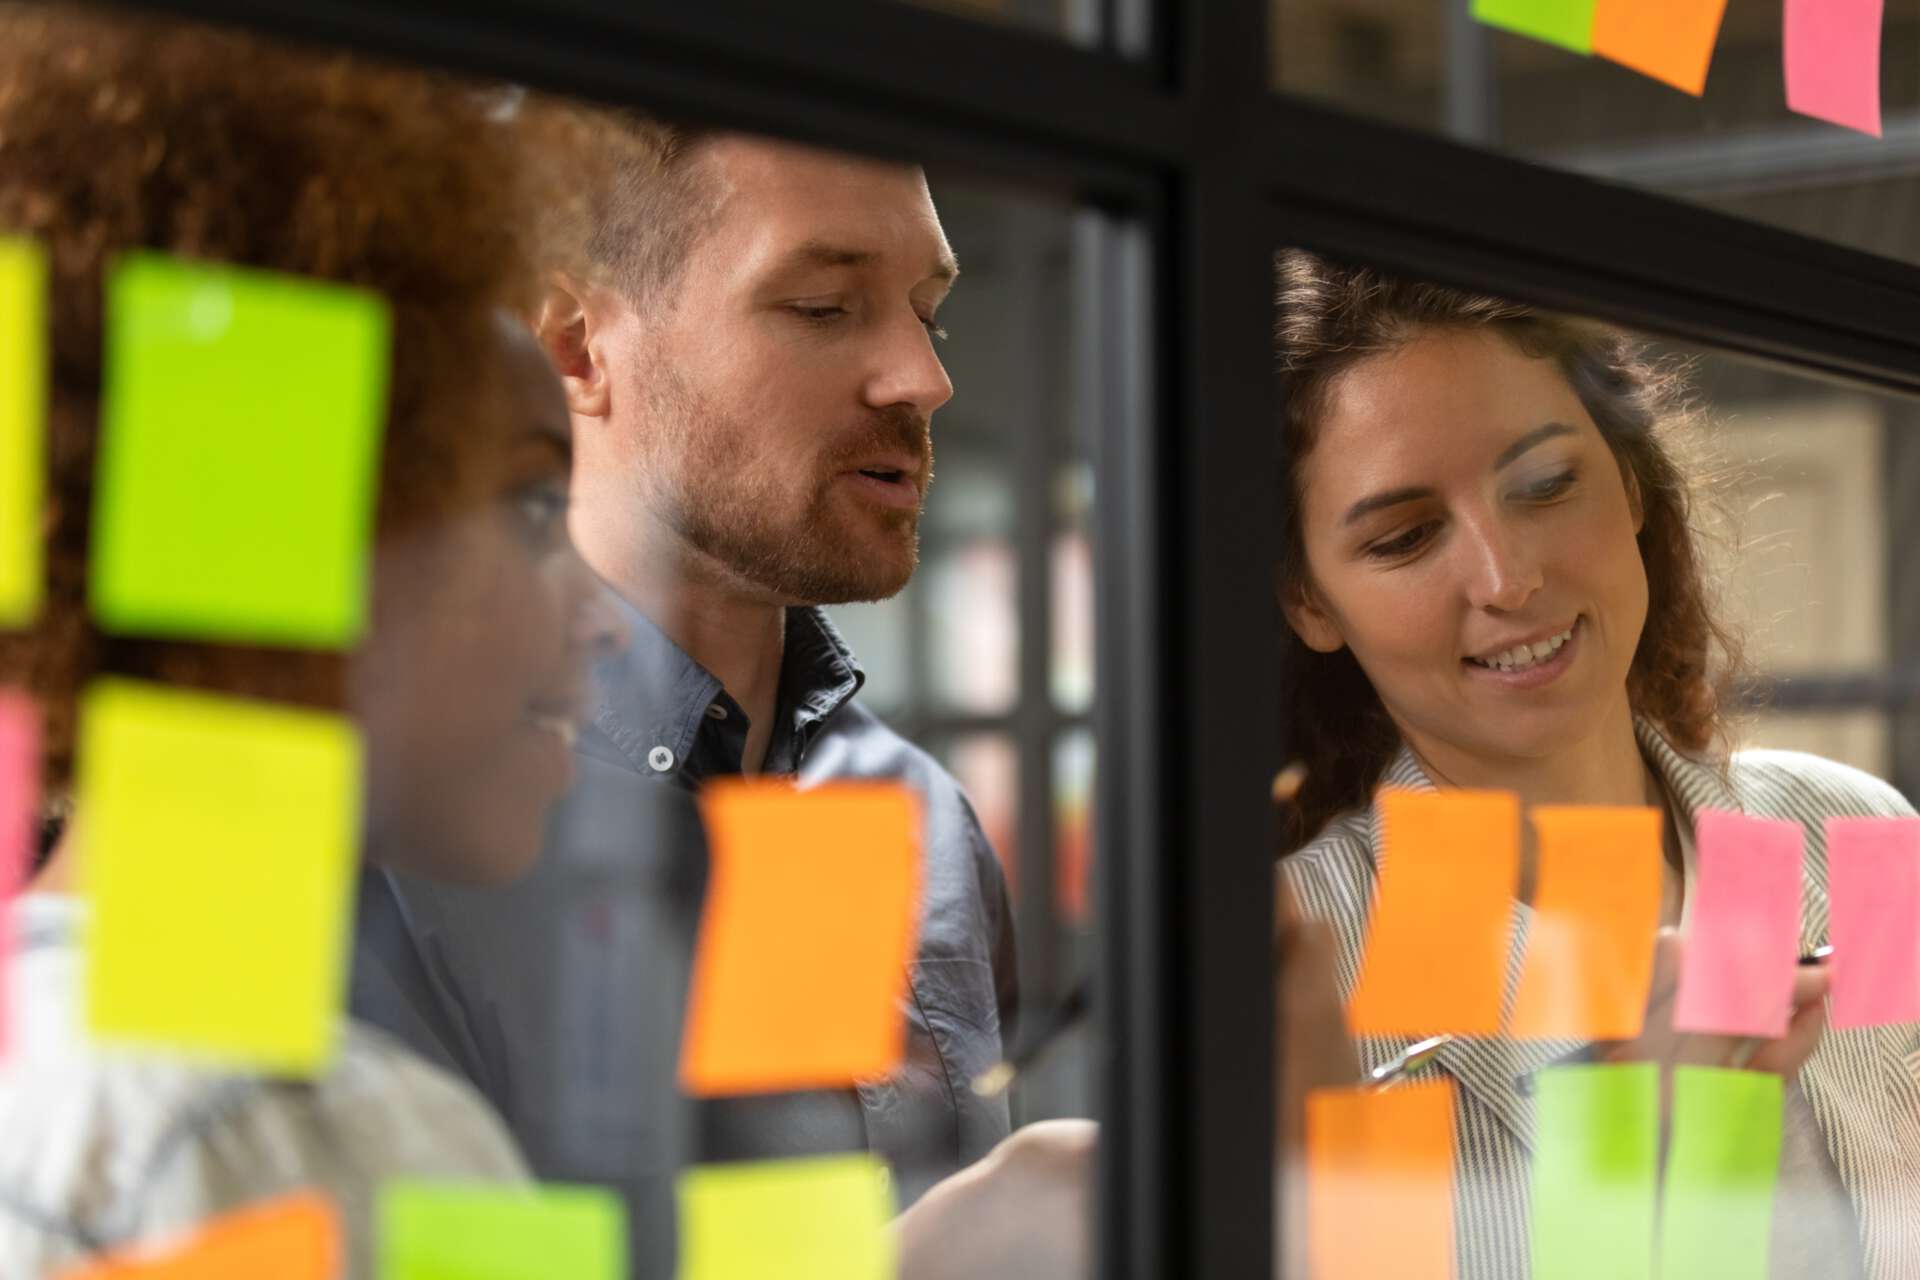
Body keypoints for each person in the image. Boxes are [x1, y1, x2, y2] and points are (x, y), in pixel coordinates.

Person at [0, 9, 621, 1275]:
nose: (599, 612)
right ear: (296, 528)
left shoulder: (55, 1060)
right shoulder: (309, 1138)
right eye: (528, 506)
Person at [352, 106, 1020, 1244]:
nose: (924, 377)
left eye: (928, 311)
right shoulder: (415, 826)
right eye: (825, 306)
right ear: (577, 345)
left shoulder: (924, 818)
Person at [1273, 248, 1919, 1278]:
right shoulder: (1303, 962)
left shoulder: (1852, 837)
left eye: (1545, 484)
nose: (1507, 577)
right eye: (1405, 537)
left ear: (1629, 481)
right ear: (1310, 601)